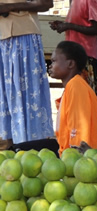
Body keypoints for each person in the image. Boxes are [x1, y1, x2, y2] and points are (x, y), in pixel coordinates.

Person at [0, 0, 54, 148]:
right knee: (4, 97)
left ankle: (30, 147)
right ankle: (7, 148)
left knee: (29, 97)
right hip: (2, 41)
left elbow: (46, 3)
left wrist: (10, 7)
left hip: (25, 39)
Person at [49, 0, 97, 116]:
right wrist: (63, 25)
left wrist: (69, 26)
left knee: (85, 101)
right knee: (75, 99)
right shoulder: (74, 2)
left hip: (85, 58)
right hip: (73, 58)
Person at [48, 41, 97, 156]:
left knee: (18, 149)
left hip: (81, 158)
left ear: (70, 64)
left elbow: (78, 136)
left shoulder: (76, 86)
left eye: (54, 61)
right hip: (67, 153)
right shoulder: (72, 86)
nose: (50, 65)